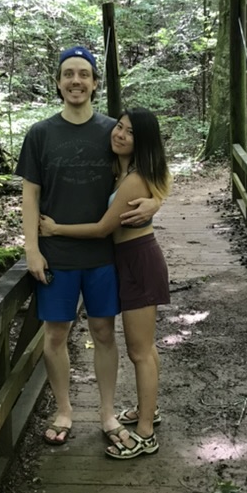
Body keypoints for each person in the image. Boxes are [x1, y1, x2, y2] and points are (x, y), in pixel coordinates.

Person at [16, 46, 160, 448]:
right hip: (56, 256)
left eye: (84, 74)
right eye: (68, 74)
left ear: (95, 83)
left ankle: (108, 413)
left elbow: (152, 165)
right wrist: (31, 247)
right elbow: (30, 196)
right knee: (56, 335)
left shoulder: (115, 130)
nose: (76, 81)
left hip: (104, 256)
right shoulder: (40, 134)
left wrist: (158, 200)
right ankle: (64, 410)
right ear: (59, 83)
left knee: (104, 332)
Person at [39, 106, 171, 460]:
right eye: (119, 127)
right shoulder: (123, 169)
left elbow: (101, 228)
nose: (120, 134)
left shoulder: (133, 178)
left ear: (141, 141)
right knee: (145, 347)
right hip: (127, 259)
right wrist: (159, 199)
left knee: (140, 350)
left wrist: (54, 229)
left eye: (129, 132)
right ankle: (149, 410)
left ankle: (145, 433)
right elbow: (160, 181)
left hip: (138, 260)